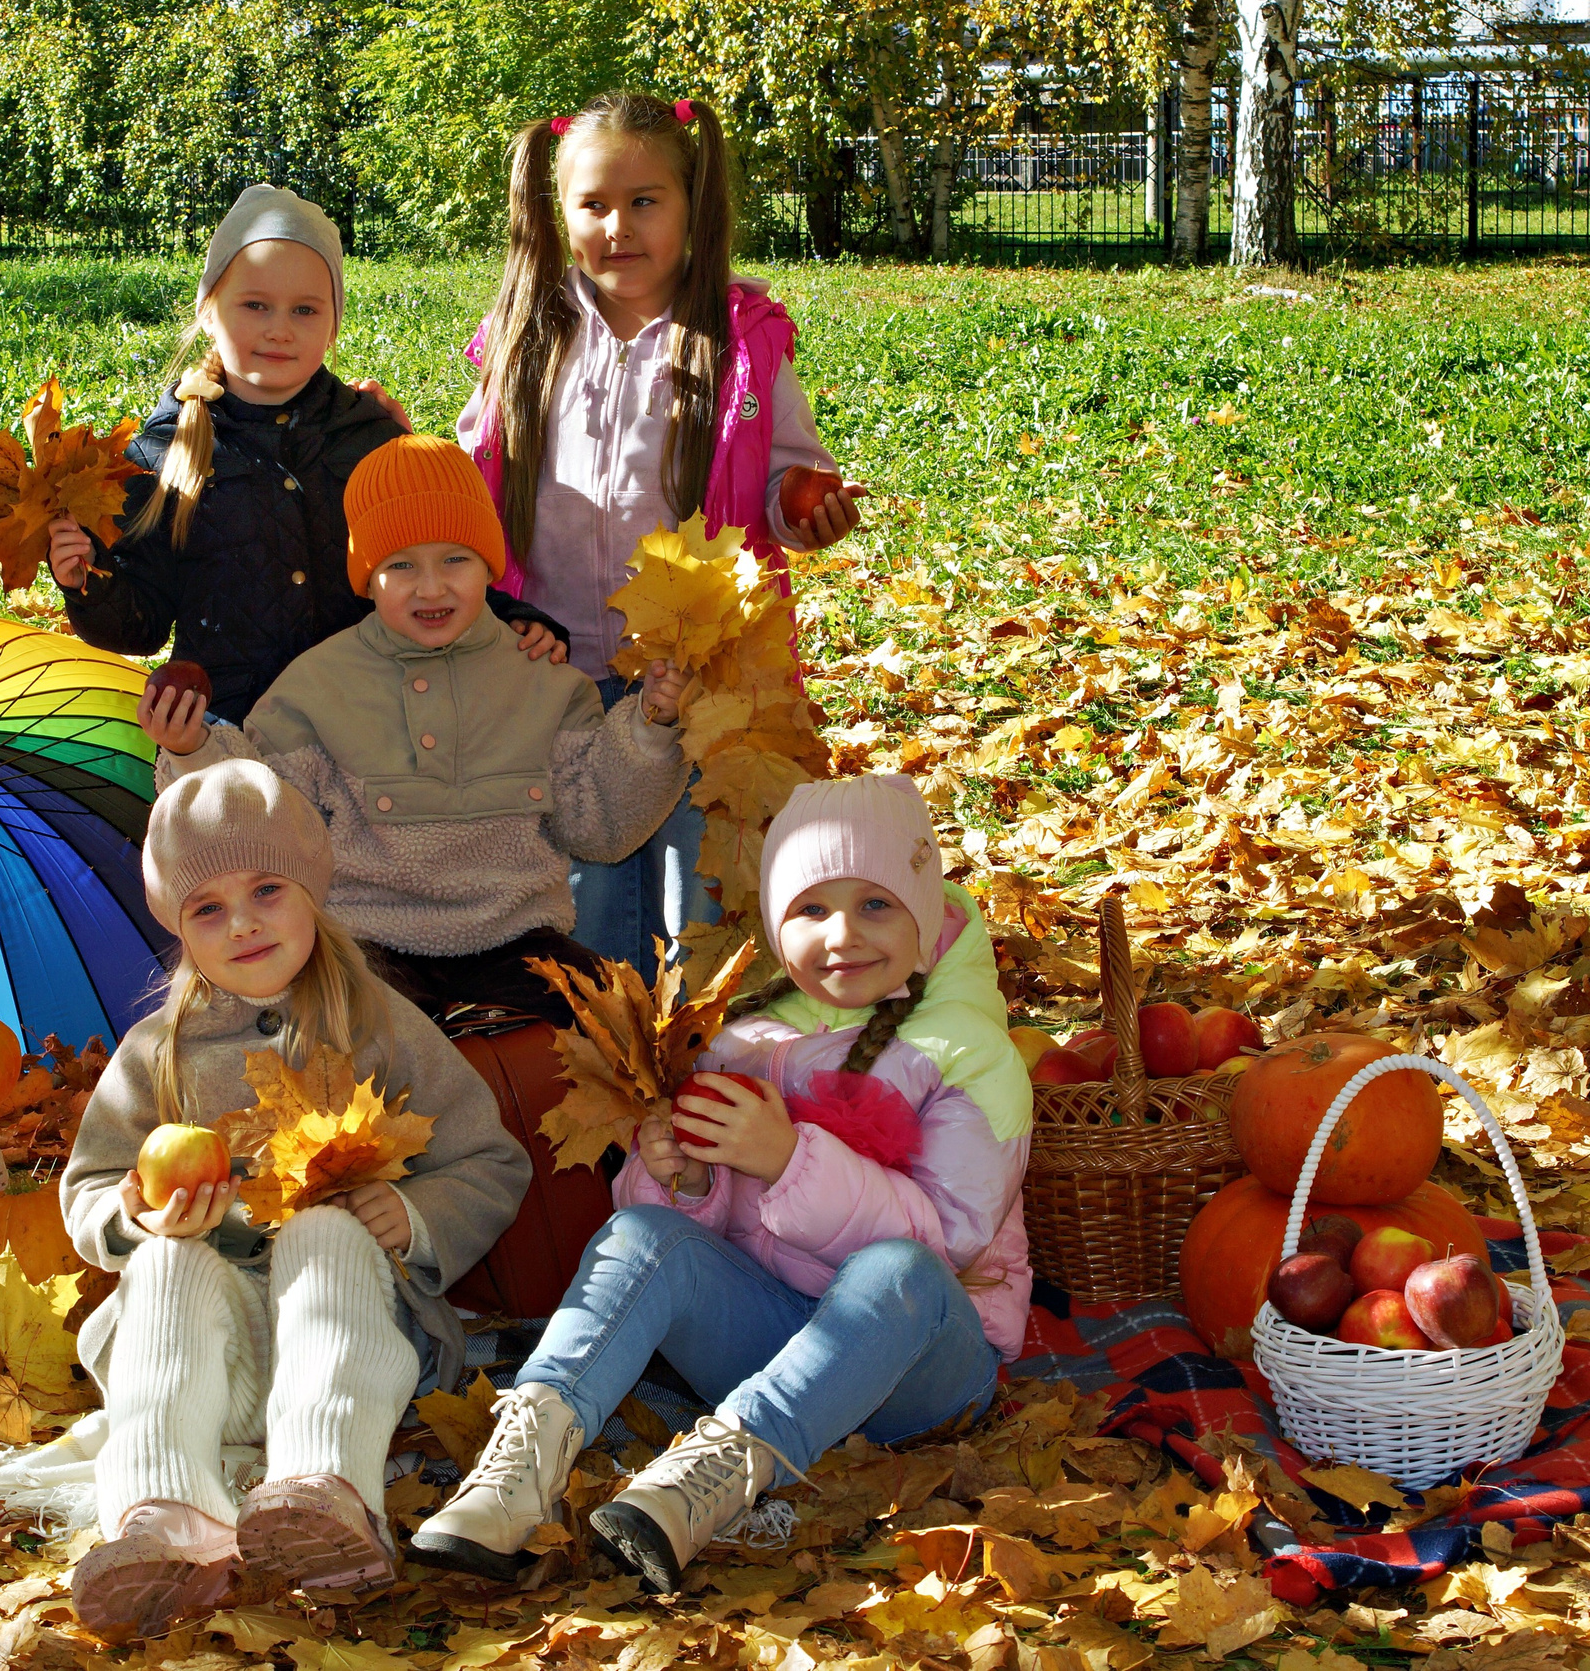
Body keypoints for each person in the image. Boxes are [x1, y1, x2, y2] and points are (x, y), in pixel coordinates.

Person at [410, 775, 1032, 1594]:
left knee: (897, 1274)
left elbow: (949, 1242)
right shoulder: (741, 1037)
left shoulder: (969, 1053)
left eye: (875, 904)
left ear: (923, 907)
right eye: (811, 909)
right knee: (640, 1237)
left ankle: (715, 1472)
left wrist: (786, 1159)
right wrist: (684, 1178)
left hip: (921, 1366)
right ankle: (521, 1466)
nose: (842, 933)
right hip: (770, 1332)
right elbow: (674, 1232)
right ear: (777, 926)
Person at [58, 760, 529, 1639]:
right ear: (180, 931)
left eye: (267, 888)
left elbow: (488, 1156)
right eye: (207, 908)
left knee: (325, 1226)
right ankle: (164, 1514)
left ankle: (327, 1491)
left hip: (354, 1344)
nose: (242, 922)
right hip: (212, 1365)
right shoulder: (159, 1050)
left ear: (312, 889)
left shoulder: (376, 1021)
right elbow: (88, 1186)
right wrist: (134, 1215)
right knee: (168, 1262)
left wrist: (416, 1216)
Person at [457, 92, 869, 977]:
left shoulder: (736, 343)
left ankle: (701, 1069)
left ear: (691, 207)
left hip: (704, 676)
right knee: (591, 908)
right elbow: (470, 482)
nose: (619, 226)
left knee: (700, 903)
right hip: (559, 676)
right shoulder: (529, 339)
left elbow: (779, 469)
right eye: (594, 204)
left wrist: (801, 508)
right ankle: (614, 1081)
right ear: (558, 212)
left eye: (645, 201)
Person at [138, 433, 689, 1028]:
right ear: (366, 575)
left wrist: (652, 728)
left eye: (456, 559)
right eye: (401, 566)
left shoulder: (545, 683)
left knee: (612, 1028)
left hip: (516, 936)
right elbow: (263, 817)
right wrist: (194, 750)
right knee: (348, 1040)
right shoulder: (315, 687)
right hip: (367, 942)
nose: (431, 588)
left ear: (490, 567)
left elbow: (599, 825)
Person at [49, 183, 566, 726]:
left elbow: (431, 565)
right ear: (208, 310)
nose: (279, 329)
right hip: (227, 730)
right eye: (255, 305)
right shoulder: (161, 451)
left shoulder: (369, 438)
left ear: (333, 324)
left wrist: (509, 618)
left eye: (305, 310)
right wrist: (88, 581)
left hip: (365, 725)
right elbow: (143, 623)